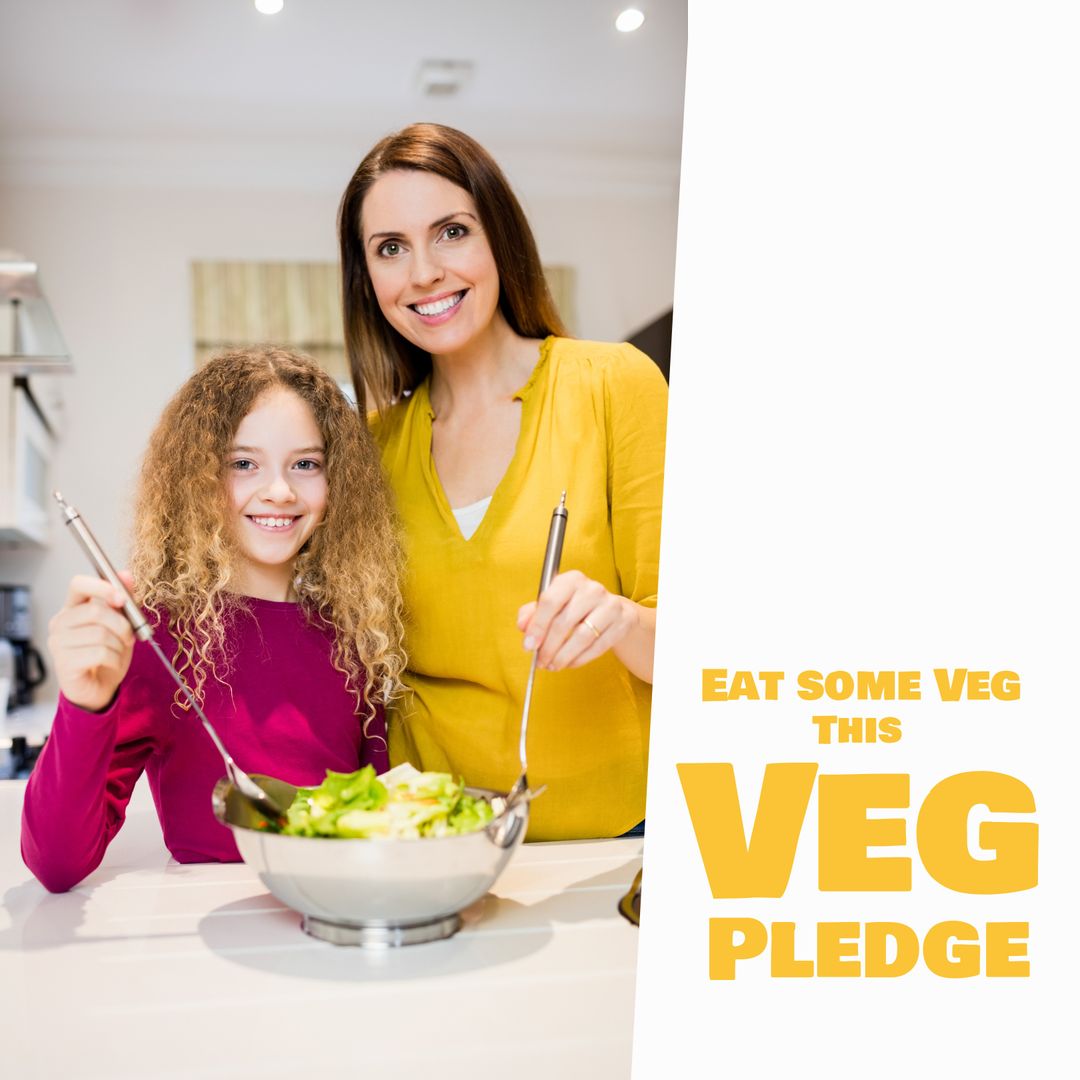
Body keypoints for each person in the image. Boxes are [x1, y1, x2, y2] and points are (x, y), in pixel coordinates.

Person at [338, 123, 667, 840]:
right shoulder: (370, 448)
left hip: (616, 836)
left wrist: (621, 620)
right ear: (367, 279)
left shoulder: (614, 385)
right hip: (437, 843)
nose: (424, 272)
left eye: (451, 232)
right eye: (390, 248)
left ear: (500, 238)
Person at [22, 347, 404, 892]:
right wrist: (83, 703)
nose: (280, 491)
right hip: (212, 931)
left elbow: (381, 819)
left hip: (341, 915)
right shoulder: (155, 638)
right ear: (197, 479)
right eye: (243, 464)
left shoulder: (356, 628)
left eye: (306, 464)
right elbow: (57, 864)